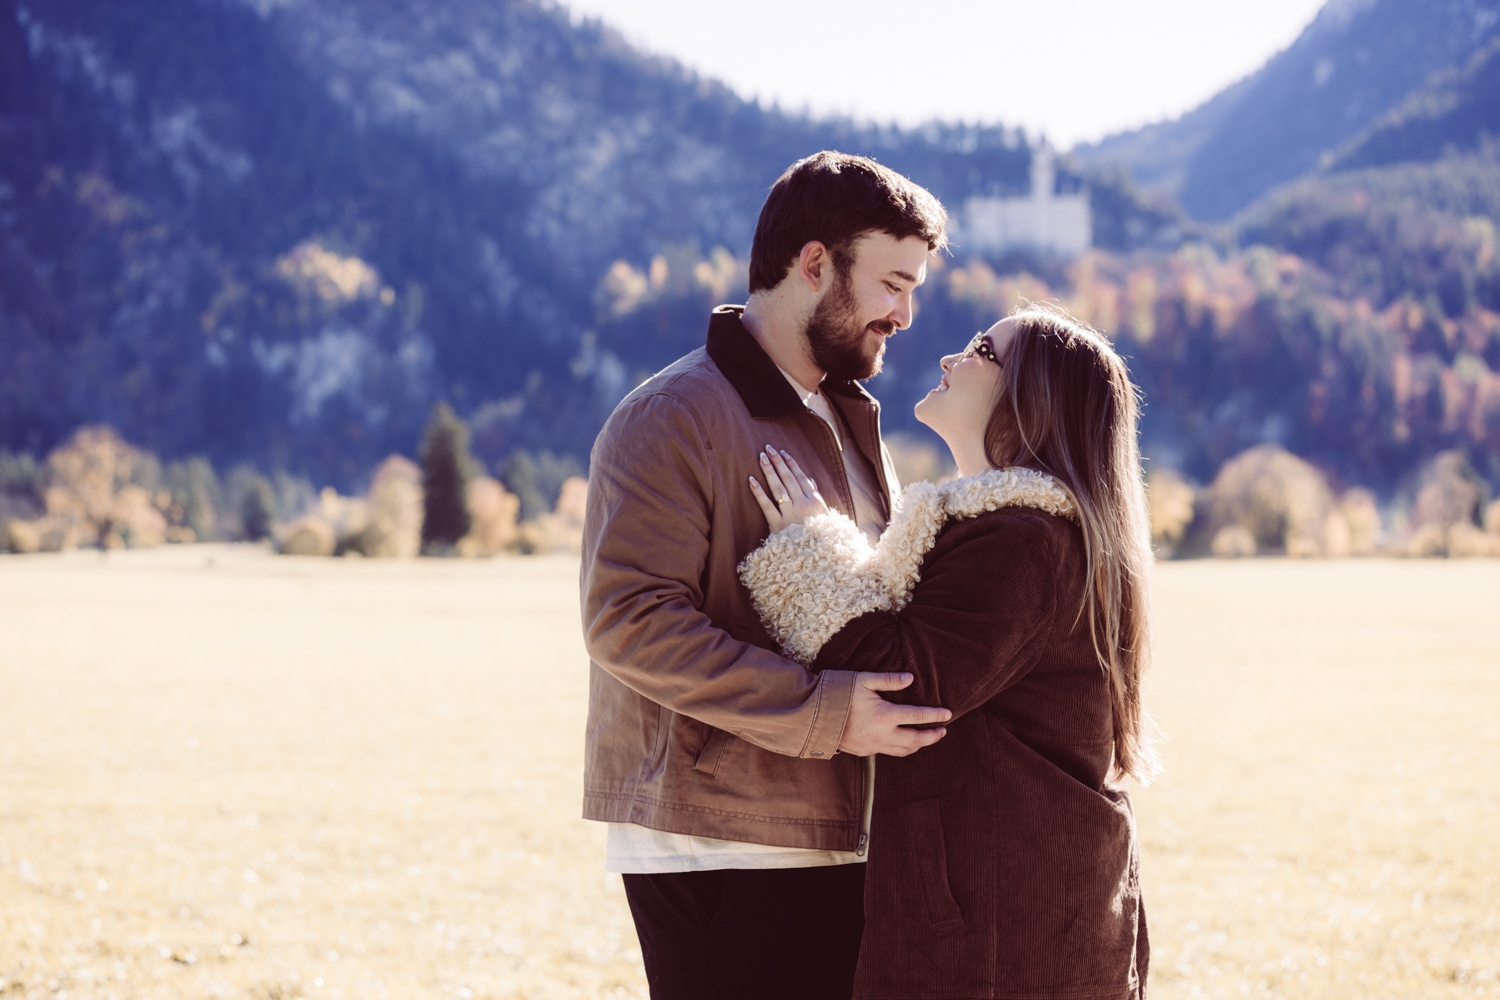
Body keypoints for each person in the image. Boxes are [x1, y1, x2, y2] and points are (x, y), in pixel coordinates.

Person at [580, 151, 954, 999]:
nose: (904, 316)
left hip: (841, 834)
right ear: (814, 263)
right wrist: (825, 713)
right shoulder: (673, 416)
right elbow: (627, 622)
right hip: (720, 846)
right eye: (892, 284)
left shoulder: (848, 419)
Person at [739, 306, 1157, 999]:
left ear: (1031, 400)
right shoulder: (1023, 531)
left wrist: (809, 551)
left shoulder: (1024, 540)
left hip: (1007, 928)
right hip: (1021, 907)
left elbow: (902, 682)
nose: (950, 359)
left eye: (982, 350)